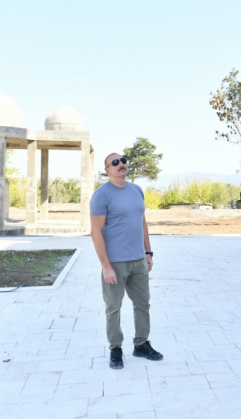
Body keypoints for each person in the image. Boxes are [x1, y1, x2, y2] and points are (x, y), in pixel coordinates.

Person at [90, 153, 163, 370]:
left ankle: (141, 344)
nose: (121, 164)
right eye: (115, 163)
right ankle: (115, 348)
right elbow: (95, 232)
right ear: (107, 170)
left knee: (143, 303)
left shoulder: (136, 190)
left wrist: (148, 252)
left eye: (123, 161)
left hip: (138, 259)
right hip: (115, 262)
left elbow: (142, 222)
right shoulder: (101, 196)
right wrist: (106, 266)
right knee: (114, 307)